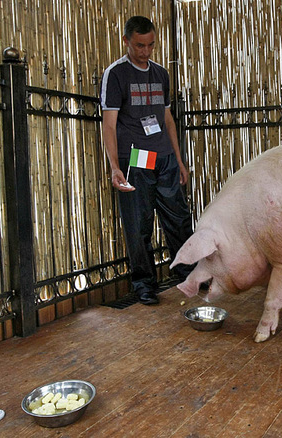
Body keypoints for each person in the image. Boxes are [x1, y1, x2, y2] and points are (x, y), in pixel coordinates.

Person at [100, 16, 193, 305]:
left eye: (151, 45)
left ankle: (188, 274)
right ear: (126, 41)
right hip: (136, 157)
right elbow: (109, 124)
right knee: (138, 224)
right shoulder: (115, 74)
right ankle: (144, 284)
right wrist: (115, 166)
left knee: (178, 218)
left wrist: (178, 160)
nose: (146, 51)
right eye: (140, 45)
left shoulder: (161, 74)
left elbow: (167, 119)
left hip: (164, 156)